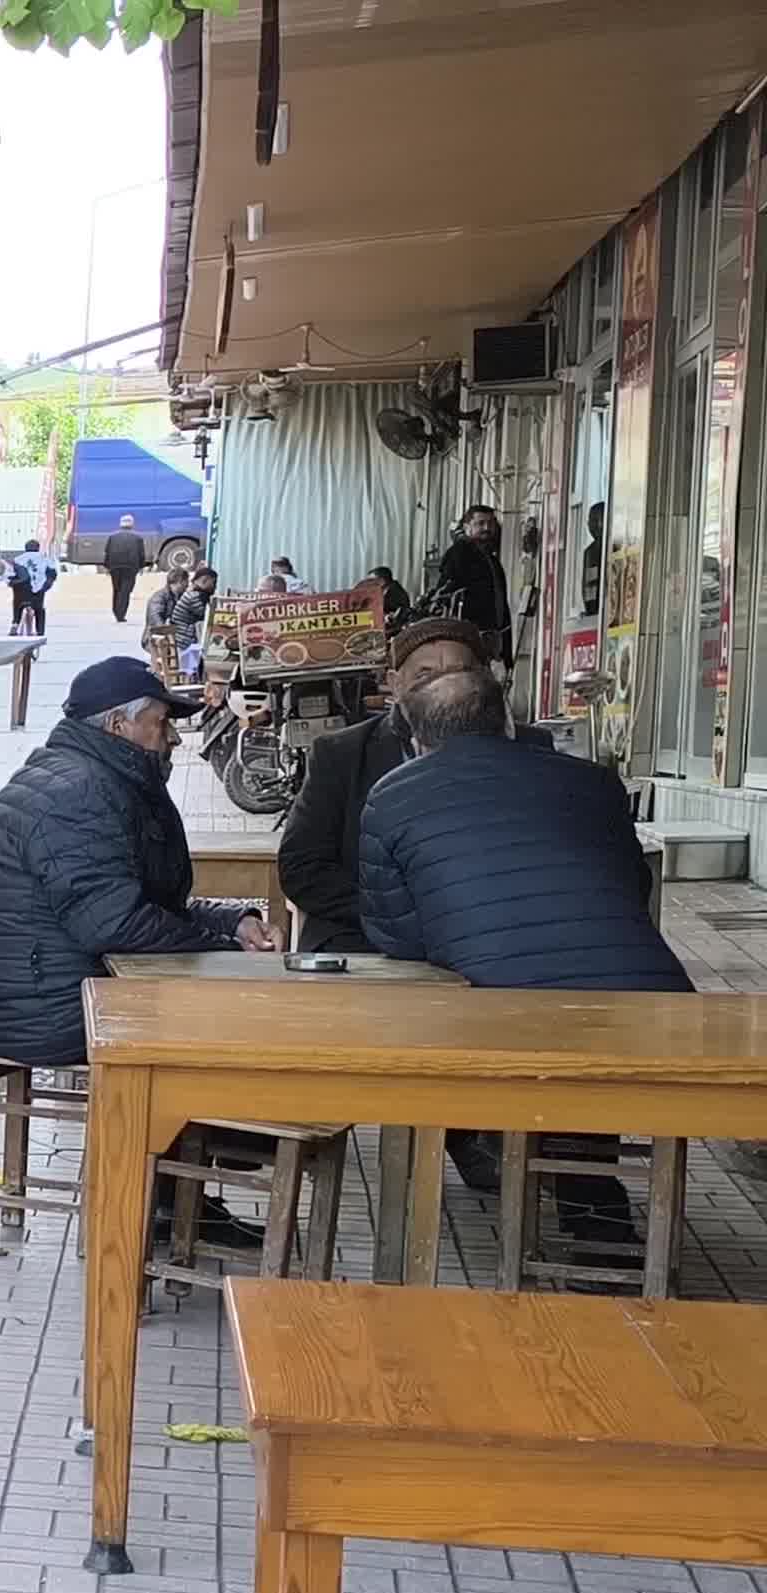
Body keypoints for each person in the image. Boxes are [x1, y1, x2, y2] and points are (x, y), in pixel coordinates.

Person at [360, 665, 691, 1241]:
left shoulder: (390, 798)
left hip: (500, 1015)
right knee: (582, 1036)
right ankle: (595, 1221)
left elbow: (396, 937)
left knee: (534, 1041)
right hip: (658, 1009)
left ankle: (562, 1207)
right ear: (509, 723)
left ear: (416, 741)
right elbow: (634, 888)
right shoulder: (595, 783)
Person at [0, 657, 273, 1068]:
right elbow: (117, 925)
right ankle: (200, 1130)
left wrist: (231, 923)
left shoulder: (90, 778)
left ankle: (206, 1131)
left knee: (243, 1024)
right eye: (162, 722)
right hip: (49, 1016)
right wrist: (224, 949)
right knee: (247, 1030)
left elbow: (130, 905)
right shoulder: (79, 793)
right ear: (118, 726)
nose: (174, 737)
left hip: (60, 994)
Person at [276, 617, 495, 953]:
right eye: (424, 675)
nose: (441, 687)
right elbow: (302, 869)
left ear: (486, 678)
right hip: (363, 936)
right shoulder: (342, 755)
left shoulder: (525, 750)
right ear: (394, 683)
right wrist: (403, 915)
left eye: (458, 672)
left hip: (487, 935)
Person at [431, 504, 514, 662]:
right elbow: (444, 594)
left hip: (491, 638)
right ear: (467, 526)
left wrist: (506, 649)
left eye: (490, 523)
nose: (486, 528)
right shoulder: (459, 554)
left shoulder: (491, 560)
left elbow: (500, 601)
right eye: (480, 523)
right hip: (467, 639)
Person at [99, 515, 148, 622]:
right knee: (126, 590)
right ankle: (121, 614)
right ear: (132, 524)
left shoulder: (112, 537)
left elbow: (107, 552)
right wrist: (141, 566)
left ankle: (116, 611)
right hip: (131, 567)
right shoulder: (138, 538)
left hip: (115, 566)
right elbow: (141, 554)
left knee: (116, 589)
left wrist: (107, 566)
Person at [4, 538, 54, 635]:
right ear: (38, 548)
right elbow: (52, 573)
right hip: (38, 592)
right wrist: (46, 586)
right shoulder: (44, 559)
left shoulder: (17, 560)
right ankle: (40, 631)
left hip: (21, 591)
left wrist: (12, 583)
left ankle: (15, 624)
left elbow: (9, 575)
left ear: (26, 548)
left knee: (17, 605)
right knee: (40, 609)